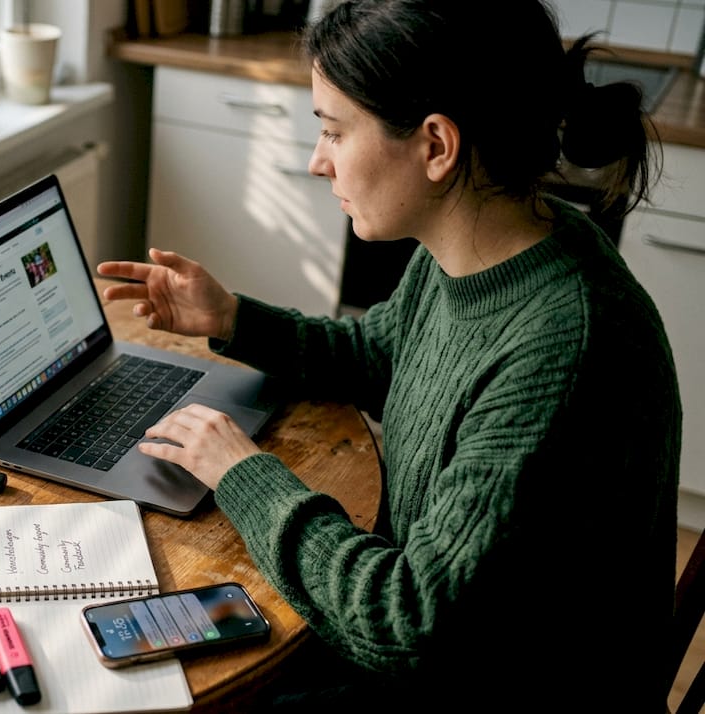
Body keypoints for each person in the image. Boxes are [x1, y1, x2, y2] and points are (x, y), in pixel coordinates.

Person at [98, 1, 681, 710]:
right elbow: (383, 357)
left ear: (436, 145)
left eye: (334, 132)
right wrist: (232, 318)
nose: (318, 162)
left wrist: (245, 474)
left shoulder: (565, 347)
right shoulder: (484, 244)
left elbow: (408, 626)